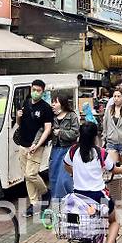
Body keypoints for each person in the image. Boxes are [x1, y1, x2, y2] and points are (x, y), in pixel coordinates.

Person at [64, 122, 122, 243]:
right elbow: (113, 169)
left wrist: (74, 172)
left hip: (78, 197)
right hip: (99, 197)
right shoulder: (101, 153)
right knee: (114, 220)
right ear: (95, 136)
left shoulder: (72, 151)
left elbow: (66, 165)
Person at [16, 79, 53, 217]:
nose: (35, 92)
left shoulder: (45, 108)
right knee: (27, 176)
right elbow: (20, 124)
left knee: (31, 174)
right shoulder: (26, 103)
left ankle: (45, 192)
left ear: (43, 92)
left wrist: (37, 145)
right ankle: (34, 203)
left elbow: (47, 129)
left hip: (36, 146)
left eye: (38, 90)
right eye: (33, 90)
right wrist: (18, 117)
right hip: (23, 144)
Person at [49, 92, 80, 199]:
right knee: (54, 176)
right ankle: (56, 201)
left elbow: (75, 133)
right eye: (52, 102)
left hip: (68, 149)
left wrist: (61, 133)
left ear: (62, 103)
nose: (52, 104)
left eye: (55, 102)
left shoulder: (72, 116)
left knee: (65, 178)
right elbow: (44, 130)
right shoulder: (52, 117)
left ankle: (69, 199)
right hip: (55, 150)